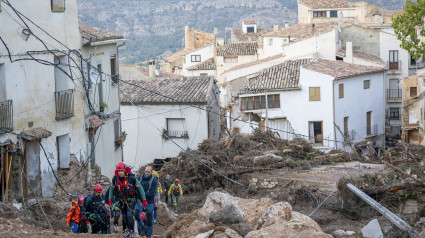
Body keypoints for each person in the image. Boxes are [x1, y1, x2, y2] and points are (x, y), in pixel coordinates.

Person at [108, 162, 147, 238]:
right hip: (121, 200)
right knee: (124, 216)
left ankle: (132, 231)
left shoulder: (131, 178)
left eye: (121, 170)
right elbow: (111, 189)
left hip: (131, 200)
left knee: (129, 215)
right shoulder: (115, 179)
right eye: (119, 171)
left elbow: (140, 188)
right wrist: (109, 199)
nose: (120, 172)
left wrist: (144, 199)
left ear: (125, 170)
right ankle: (126, 230)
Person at [136, 166, 158, 238]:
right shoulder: (139, 178)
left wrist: (141, 193)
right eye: (145, 171)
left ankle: (148, 234)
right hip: (140, 200)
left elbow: (151, 193)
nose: (146, 173)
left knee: (149, 216)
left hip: (149, 201)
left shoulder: (154, 180)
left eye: (148, 172)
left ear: (151, 172)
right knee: (137, 215)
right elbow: (135, 188)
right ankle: (142, 229)